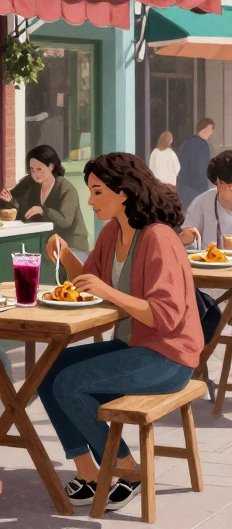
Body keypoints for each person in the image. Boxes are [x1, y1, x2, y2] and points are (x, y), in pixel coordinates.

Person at [40, 153, 202, 511]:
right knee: (48, 369)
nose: (90, 200)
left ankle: (128, 471)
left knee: (70, 383)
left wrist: (109, 292)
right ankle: (90, 471)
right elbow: (89, 281)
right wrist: (65, 254)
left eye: (97, 192)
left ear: (123, 192)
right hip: (132, 346)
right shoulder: (113, 231)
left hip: (168, 356)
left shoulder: (158, 237)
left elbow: (165, 317)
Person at [0, 145, 89, 253]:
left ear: (51, 166)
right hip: (45, 245)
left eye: (39, 169)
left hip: (71, 246)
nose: (35, 174)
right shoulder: (30, 182)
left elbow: (65, 221)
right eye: (32, 169)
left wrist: (42, 210)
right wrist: (9, 200)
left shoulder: (65, 188)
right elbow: (15, 205)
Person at [177, 150, 232, 249]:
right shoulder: (203, 202)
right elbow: (189, 238)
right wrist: (188, 235)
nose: (219, 187)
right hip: (210, 261)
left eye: (223, 184)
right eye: (219, 183)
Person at [176, 118, 215, 207]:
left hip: (183, 190)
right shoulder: (204, 146)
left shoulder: (185, 144)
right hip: (198, 192)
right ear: (208, 128)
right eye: (211, 129)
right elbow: (201, 170)